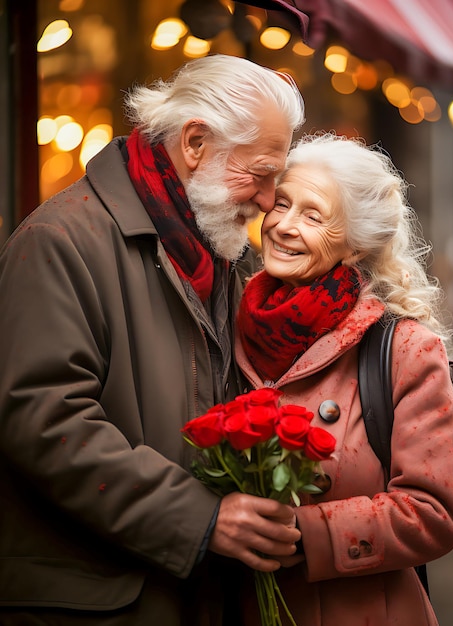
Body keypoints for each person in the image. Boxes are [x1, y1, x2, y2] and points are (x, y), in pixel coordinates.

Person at [0, 54, 305, 625]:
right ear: (194, 143)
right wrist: (201, 519)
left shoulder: (215, 245)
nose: (268, 201)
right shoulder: (58, 241)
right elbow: (43, 420)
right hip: (100, 604)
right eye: (260, 174)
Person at [235, 133, 453, 626]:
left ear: (355, 242)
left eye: (313, 216)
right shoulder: (225, 323)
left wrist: (307, 534)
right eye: (281, 203)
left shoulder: (405, 348)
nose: (284, 225)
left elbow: (434, 513)